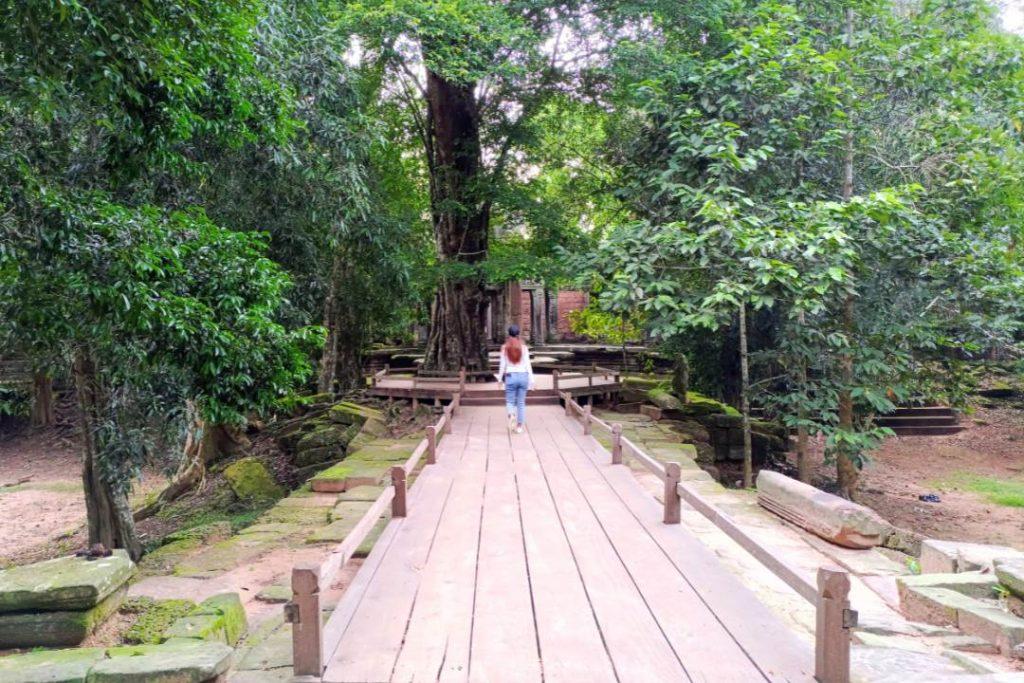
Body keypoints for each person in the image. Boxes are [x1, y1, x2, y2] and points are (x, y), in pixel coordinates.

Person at [497, 324, 534, 433]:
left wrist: (499, 379)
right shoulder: (524, 347)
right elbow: (528, 364)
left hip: (510, 376)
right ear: (518, 334)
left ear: (508, 334)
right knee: (521, 403)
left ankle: (511, 414)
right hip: (523, 376)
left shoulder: (505, 347)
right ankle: (519, 427)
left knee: (510, 401)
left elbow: (502, 365)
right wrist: (532, 380)